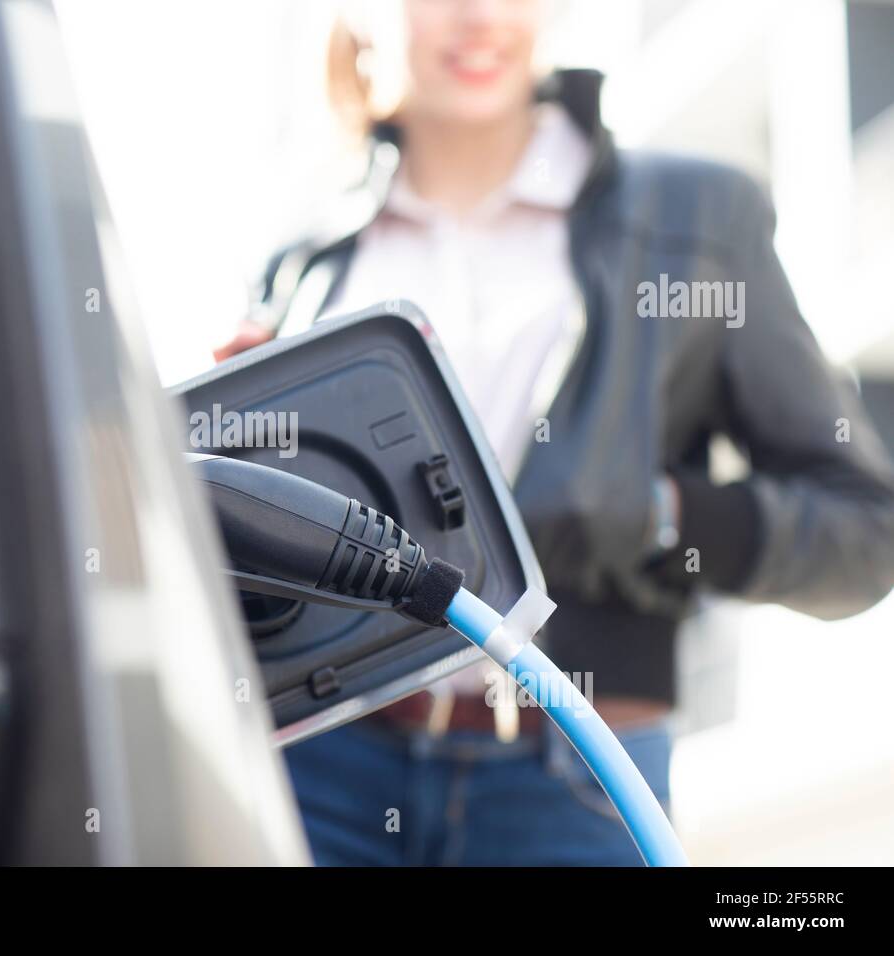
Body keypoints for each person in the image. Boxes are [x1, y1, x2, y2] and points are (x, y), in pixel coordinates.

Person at [215, 0, 894, 866]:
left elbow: (866, 532)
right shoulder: (304, 255)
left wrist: (661, 514)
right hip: (327, 768)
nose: (478, 16)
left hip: (579, 768)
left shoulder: (695, 219)